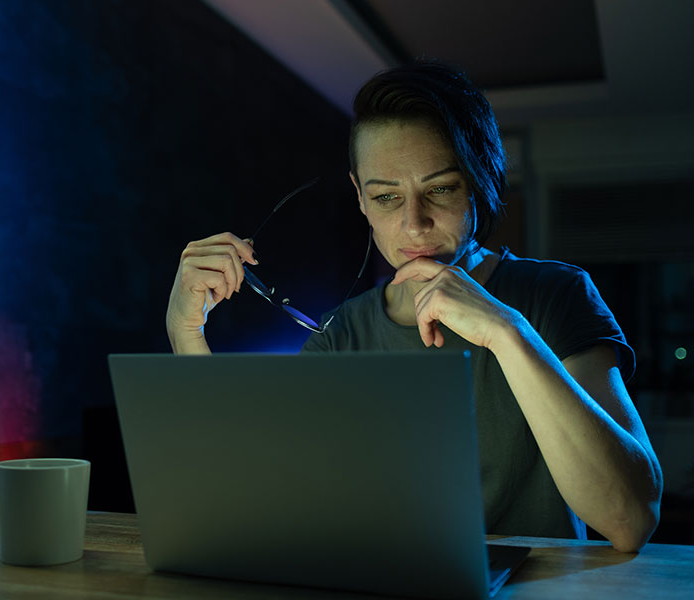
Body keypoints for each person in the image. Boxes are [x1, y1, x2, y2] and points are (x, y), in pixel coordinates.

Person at [165, 60, 662, 552]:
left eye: (441, 189)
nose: (414, 225)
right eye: (386, 198)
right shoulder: (341, 337)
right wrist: (187, 337)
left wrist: (506, 332)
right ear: (360, 198)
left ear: (480, 182)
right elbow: (249, 505)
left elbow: (630, 517)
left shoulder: (556, 294)